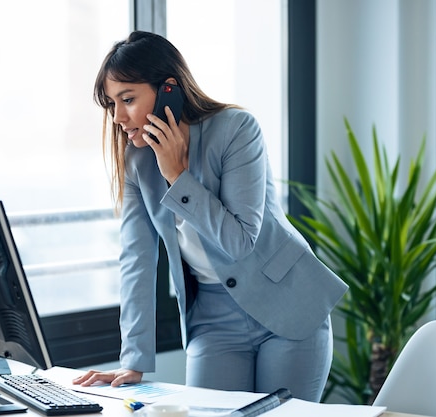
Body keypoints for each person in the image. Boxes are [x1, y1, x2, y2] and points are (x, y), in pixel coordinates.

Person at [72, 30, 348, 402]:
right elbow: (136, 259)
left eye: (128, 99)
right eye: (111, 104)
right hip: (213, 321)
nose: (119, 116)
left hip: (287, 307)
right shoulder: (137, 162)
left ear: (168, 88)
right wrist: (133, 359)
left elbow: (240, 240)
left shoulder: (236, 129)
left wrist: (177, 176)